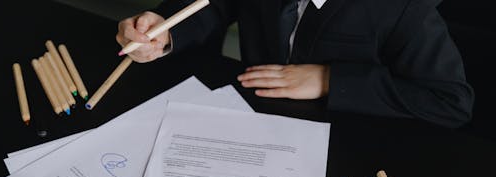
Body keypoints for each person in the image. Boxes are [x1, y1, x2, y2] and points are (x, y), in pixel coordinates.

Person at [115, 0, 474, 128]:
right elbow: (216, 3)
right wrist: (164, 30)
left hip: (343, 142)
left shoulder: (403, 7)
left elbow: (450, 101)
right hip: (251, 115)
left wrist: (333, 79)